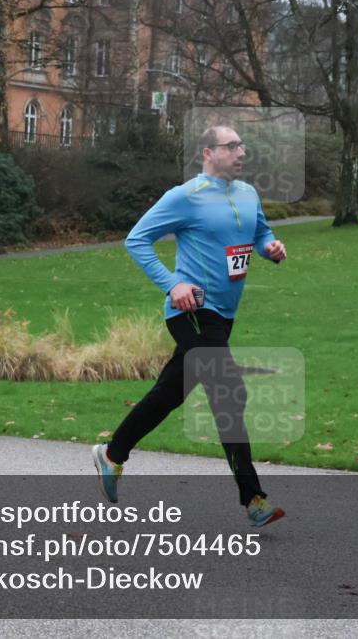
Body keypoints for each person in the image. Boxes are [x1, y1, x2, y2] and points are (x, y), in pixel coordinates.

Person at [92, 125, 288, 526]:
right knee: (229, 394)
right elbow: (137, 240)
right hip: (192, 311)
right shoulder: (185, 196)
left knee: (170, 393)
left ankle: (112, 454)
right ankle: (253, 499)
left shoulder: (248, 193)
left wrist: (270, 248)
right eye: (231, 146)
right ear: (208, 153)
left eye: (241, 145)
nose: (241, 152)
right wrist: (173, 283)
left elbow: (259, 232)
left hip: (224, 316)